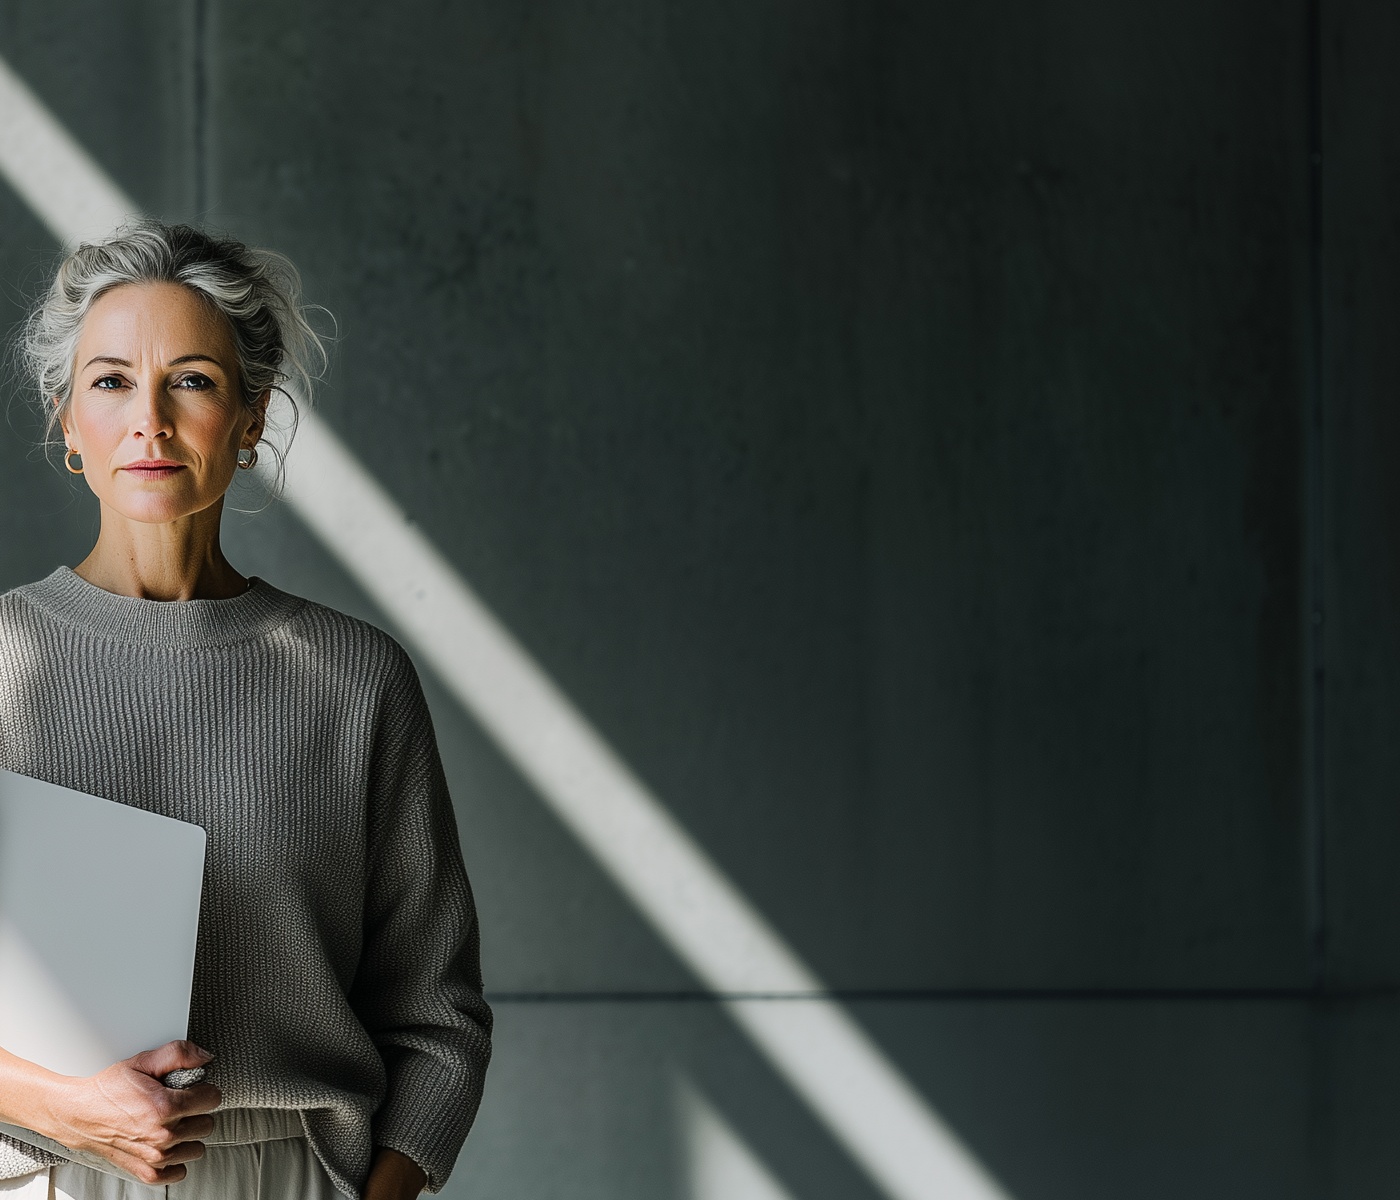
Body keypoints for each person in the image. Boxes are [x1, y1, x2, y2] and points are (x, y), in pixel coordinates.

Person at [0, 221, 492, 1199]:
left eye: (191, 379)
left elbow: (437, 1021)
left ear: (252, 414)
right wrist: (55, 1108)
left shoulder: (354, 680)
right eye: (108, 382)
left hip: (295, 1177)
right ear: (66, 421)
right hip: (46, 1174)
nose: (149, 420)